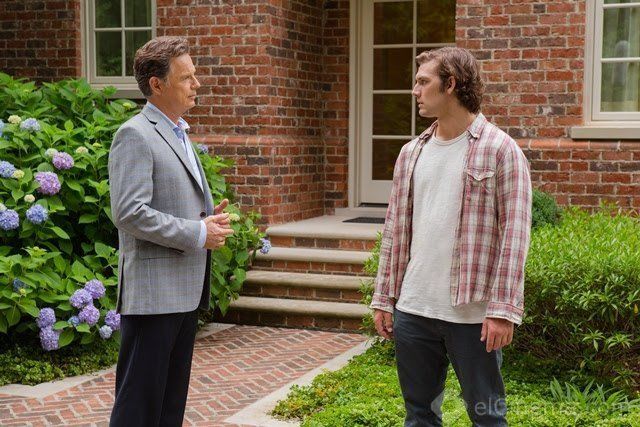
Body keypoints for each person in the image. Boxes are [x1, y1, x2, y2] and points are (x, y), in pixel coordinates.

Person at [371, 47, 532, 426]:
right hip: (413, 310)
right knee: (419, 416)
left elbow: (515, 236)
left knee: (487, 417)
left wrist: (502, 311)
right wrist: (384, 297)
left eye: (423, 82)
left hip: (472, 316)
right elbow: (395, 230)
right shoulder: (411, 153)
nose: (415, 90)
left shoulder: (501, 150)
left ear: (451, 85)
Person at [108, 36, 234, 426]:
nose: (197, 84)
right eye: (186, 77)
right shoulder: (135, 134)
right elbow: (129, 212)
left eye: (194, 75)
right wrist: (197, 232)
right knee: (138, 410)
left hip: (182, 290)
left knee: (168, 409)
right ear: (157, 84)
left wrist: (208, 221)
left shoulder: (179, 131)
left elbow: (174, 202)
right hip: (153, 295)